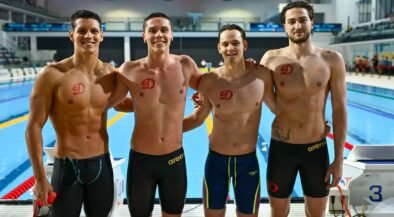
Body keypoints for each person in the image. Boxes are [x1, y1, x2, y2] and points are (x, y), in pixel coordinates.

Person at [25, 10, 120, 217]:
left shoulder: (111, 74)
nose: (89, 36)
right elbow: (34, 126)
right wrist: (40, 178)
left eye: (94, 31)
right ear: (71, 35)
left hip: (101, 164)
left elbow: (133, 103)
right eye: (82, 31)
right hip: (67, 166)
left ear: (101, 35)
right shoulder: (51, 75)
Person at [107, 12, 202, 217]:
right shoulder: (130, 69)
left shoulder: (185, 64)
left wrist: (242, 67)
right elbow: (115, 104)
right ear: (144, 36)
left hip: (174, 159)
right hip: (141, 160)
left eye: (164, 30)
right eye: (152, 30)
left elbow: (210, 86)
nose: (159, 34)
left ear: (172, 35)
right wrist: (144, 103)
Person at [260, 1, 347, 217]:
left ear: (312, 23)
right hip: (282, 148)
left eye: (302, 20)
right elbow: (262, 96)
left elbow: (339, 109)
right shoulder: (270, 58)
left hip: (315, 150)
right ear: (284, 26)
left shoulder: (332, 59)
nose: (297, 25)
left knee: (317, 213)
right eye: (291, 21)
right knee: (278, 212)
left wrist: (338, 160)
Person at [183, 24, 275, 217]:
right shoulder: (209, 80)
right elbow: (198, 118)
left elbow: (279, 109)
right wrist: (167, 128)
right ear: (219, 47)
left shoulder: (261, 76)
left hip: (247, 162)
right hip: (216, 162)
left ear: (245, 45)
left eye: (235, 43)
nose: (230, 48)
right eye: (225, 44)